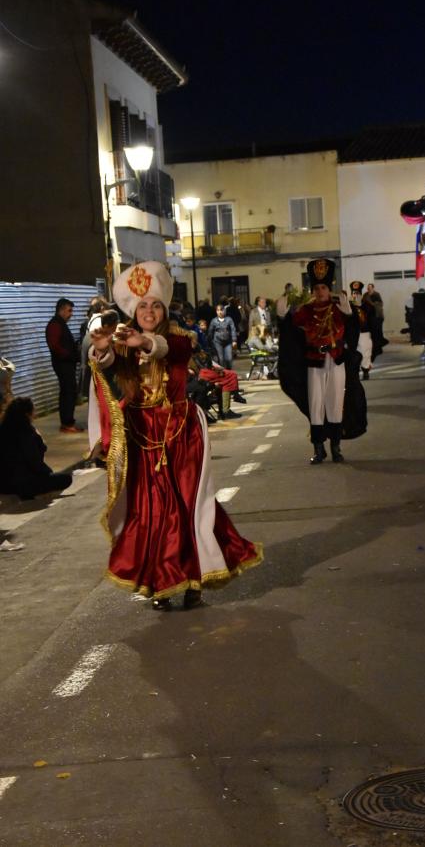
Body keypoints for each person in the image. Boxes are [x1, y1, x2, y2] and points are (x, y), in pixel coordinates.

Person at [88, 261, 262, 611]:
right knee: (149, 509)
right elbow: (104, 364)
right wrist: (104, 347)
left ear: (164, 309)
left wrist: (145, 341)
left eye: (155, 305)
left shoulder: (181, 338)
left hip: (181, 432)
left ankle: (195, 577)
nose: (149, 311)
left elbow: (170, 351)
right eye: (142, 306)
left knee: (185, 506)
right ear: (133, 311)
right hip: (141, 434)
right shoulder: (123, 343)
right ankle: (160, 580)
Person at [276, 258, 367, 464]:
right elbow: (291, 331)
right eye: (316, 288)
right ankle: (319, 449)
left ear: (329, 287)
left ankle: (336, 448)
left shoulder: (339, 308)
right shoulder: (305, 311)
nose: (320, 291)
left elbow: (354, 333)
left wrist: (350, 316)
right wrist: (282, 318)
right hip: (313, 361)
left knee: (335, 404)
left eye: (323, 287)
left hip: (336, 360)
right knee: (316, 405)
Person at [0, 397, 72, 499]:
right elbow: (35, 461)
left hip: (3, 485)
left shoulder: (3, 429)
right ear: (27, 414)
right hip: (22, 484)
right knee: (66, 478)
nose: (35, 414)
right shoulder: (27, 432)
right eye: (33, 411)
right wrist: (39, 439)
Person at [45, 297, 83, 433]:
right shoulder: (55, 325)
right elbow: (54, 345)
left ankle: (67, 422)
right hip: (63, 364)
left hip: (66, 363)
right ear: (61, 310)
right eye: (69, 310)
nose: (71, 314)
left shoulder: (60, 323)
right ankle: (67, 423)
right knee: (68, 392)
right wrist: (68, 354)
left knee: (68, 391)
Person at [350, 281, 377, 380]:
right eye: (354, 293)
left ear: (361, 294)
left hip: (365, 333)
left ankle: (365, 371)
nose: (355, 296)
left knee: (366, 353)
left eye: (357, 293)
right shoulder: (349, 307)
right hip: (353, 334)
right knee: (354, 353)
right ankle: (355, 372)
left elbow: (372, 320)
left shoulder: (367, 306)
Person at [208, 304, 238, 368]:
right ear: (216, 311)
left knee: (229, 358)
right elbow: (210, 331)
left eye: (221, 310)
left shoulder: (229, 319)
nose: (220, 312)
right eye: (218, 310)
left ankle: (229, 372)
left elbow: (233, 329)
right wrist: (210, 342)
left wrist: (234, 340)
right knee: (220, 359)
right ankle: (223, 374)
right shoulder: (214, 321)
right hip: (217, 342)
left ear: (224, 311)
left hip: (228, 342)